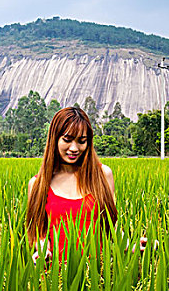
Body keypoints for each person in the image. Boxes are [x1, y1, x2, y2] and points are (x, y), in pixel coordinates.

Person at [26, 107, 148, 263]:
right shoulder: (37, 184)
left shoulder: (103, 175)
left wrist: (133, 245)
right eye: (67, 139)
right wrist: (43, 251)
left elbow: (112, 226)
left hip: (96, 275)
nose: (74, 148)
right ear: (54, 139)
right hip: (56, 276)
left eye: (81, 141)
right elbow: (39, 233)